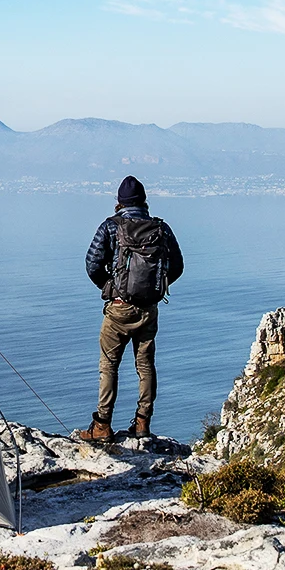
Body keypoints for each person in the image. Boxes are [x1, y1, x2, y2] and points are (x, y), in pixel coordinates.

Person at [81, 176, 184, 442]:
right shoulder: (161, 228)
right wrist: (156, 289)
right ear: (144, 201)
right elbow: (178, 266)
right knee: (146, 366)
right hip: (148, 309)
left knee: (109, 366)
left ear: (119, 202)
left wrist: (111, 288)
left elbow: (92, 264)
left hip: (118, 310)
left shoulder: (110, 227)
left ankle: (102, 425)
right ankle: (142, 424)